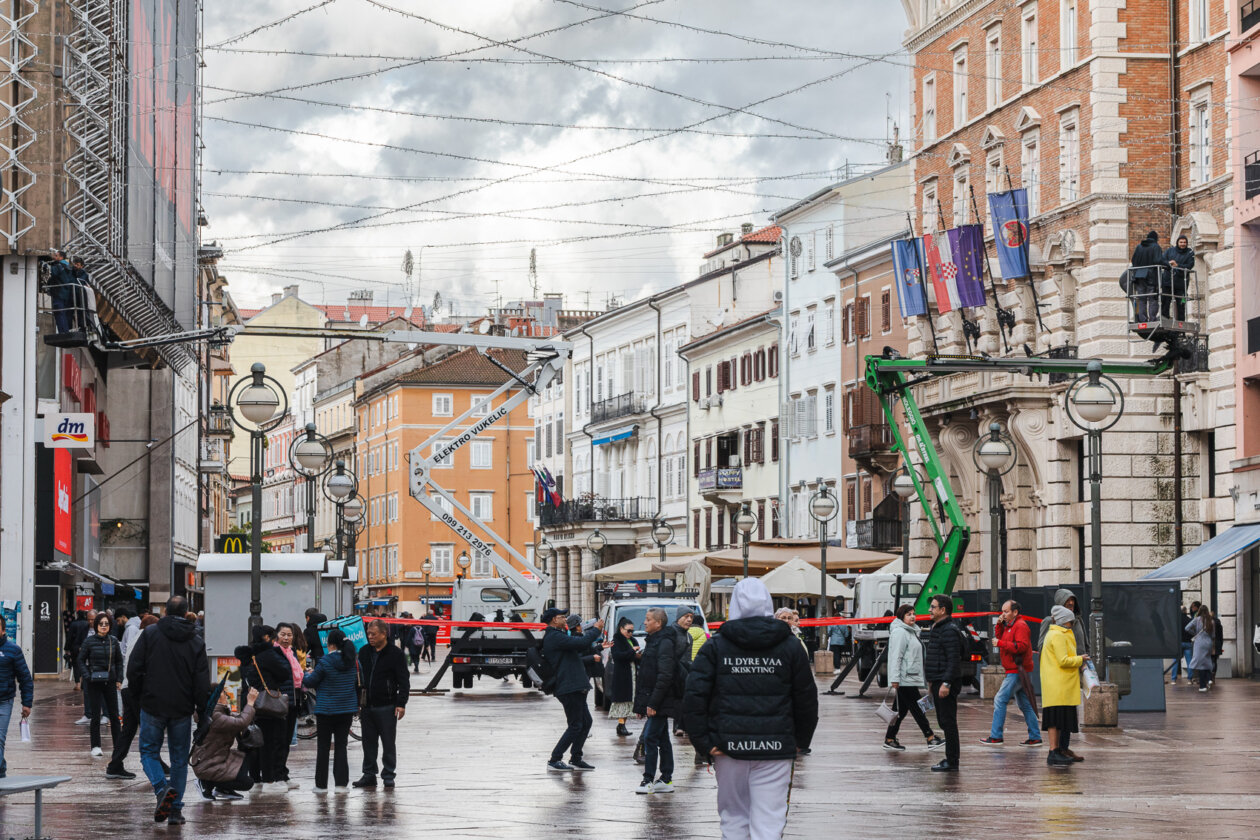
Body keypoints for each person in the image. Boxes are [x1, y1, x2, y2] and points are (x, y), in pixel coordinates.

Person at [684, 578, 817, 838]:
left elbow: (694, 696)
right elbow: (806, 698)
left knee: (733, 817)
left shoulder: (716, 645)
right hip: (776, 747)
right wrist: (800, 740)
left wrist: (704, 742)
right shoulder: (790, 646)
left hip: (727, 746)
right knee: (770, 818)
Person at [126, 596, 210, 826]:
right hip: (182, 707)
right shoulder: (195, 640)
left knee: (149, 752)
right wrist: (202, 710)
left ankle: (161, 789)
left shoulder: (151, 634)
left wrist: (138, 695)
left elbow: (134, 668)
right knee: (179, 759)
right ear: (186, 613)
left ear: (165, 611)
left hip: (152, 703)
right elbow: (201, 681)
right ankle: (175, 811)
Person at [540, 608, 603, 772]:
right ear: (554, 620)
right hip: (568, 686)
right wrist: (596, 629)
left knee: (586, 722)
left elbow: (580, 646)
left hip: (574, 686)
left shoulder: (558, 635)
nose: (565, 620)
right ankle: (555, 759)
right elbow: (581, 643)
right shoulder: (554, 636)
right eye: (562, 617)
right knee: (575, 725)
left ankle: (576, 757)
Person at [234, 625, 294, 793]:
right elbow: (284, 673)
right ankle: (269, 781)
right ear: (267, 638)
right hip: (268, 705)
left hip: (252, 703)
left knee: (254, 742)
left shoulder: (247, 656)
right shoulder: (268, 655)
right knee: (271, 742)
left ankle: (255, 780)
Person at [355, 618, 410, 789]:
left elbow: (404, 680)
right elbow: (358, 678)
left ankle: (388, 774)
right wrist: (357, 700)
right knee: (368, 742)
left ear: (384, 634)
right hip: (367, 705)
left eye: (374, 634)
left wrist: (401, 703)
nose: (370, 637)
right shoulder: (363, 652)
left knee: (388, 742)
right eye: (368, 634)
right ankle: (369, 774)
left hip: (387, 705)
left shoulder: (395, 653)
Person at [303, 628, 359, 793]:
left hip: (326, 711)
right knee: (341, 746)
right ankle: (341, 785)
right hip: (346, 709)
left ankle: (321, 786)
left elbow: (311, 682)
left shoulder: (325, 662)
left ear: (330, 644)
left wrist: (306, 675)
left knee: (323, 748)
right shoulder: (353, 661)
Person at [882, 603, 943, 752]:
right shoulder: (900, 633)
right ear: (901, 617)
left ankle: (890, 738)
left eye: (913, 613)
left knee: (900, 710)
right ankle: (930, 737)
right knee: (917, 708)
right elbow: (896, 656)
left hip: (909, 676)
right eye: (908, 614)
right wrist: (895, 679)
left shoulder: (910, 632)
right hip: (904, 678)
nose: (913, 616)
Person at [633, 607, 682, 794]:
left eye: (647, 619)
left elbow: (664, 676)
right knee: (662, 738)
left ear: (658, 623)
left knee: (650, 737)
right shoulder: (654, 641)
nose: (644, 622)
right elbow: (645, 676)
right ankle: (666, 778)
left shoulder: (664, 643)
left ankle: (648, 779)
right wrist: (641, 705)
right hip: (656, 699)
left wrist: (653, 703)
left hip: (661, 700)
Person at [980, 600, 1042, 747]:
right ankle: (1035, 736)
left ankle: (996, 736)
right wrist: (999, 625)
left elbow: (1021, 646)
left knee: (1000, 699)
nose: (1003, 614)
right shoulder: (1010, 625)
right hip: (1017, 670)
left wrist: (1000, 643)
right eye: (1002, 611)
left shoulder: (1020, 626)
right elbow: (1002, 637)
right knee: (1025, 704)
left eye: (1006, 611)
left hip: (1017, 671)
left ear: (1015, 612)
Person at [191, 687, 260, 800]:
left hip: (217, 759)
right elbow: (241, 722)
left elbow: (239, 718)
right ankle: (206, 783)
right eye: (224, 693)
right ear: (216, 698)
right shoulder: (215, 716)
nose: (227, 696)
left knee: (250, 752)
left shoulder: (217, 712)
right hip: (207, 765)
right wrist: (250, 702)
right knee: (246, 783)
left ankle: (223, 789)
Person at [1041, 605, 1088, 767]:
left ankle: (1057, 751)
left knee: (1056, 719)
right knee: (1055, 720)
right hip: (1059, 684)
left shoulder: (1055, 633)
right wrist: (1080, 659)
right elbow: (1063, 660)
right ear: (1063, 621)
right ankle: (1054, 752)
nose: (1072, 625)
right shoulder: (1058, 635)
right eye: (1070, 622)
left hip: (1058, 684)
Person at [923, 594, 963, 772]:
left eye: (933, 607)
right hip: (938, 680)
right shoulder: (938, 628)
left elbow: (953, 659)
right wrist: (932, 682)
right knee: (944, 721)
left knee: (948, 722)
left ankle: (952, 761)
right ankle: (950, 759)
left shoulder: (949, 630)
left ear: (942, 610)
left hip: (945, 682)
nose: (930, 610)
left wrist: (946, 683)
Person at [77, 611, 123, 757]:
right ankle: (95, 746)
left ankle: (118, 745)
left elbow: (119, 661)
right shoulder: (89, 641)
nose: (104, 626)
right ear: (96, 625)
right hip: (94, 682)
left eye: (106, 624)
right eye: (101, 624)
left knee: (114, 715)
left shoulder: (114, 641)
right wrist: (87, 675)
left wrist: (119, 679)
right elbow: (80, 660)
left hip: (109, 681)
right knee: (95, 716)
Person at [106, 607, 145, 780]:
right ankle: (157, 763)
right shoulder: (140, 634)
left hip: (128, 688)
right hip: (135, 689)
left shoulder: (135, 632)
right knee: (148, 728)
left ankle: (115, 765)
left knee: (128, 730)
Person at [0, 619, 34, 780]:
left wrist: (27, 703)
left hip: (4, 701)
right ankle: (1, 767)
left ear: (3, 630)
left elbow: (25, 678)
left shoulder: (13, 650)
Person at [274, 623, 304, 784]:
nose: (286, 638)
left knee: (286, 741)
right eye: (283, 634)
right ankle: (278, 775)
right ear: (277, 635)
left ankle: (283, 773)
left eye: (289, 635)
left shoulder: (291, 653)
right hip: (280, 703)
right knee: (280, 741)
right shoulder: (276, 653)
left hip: (293, 701)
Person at [605, 617, 639, 737]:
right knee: (622, 701)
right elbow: (617, 656)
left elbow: (632, 655)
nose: (630, 633)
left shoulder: (632, 640)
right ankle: (621, 725)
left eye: (632, 631)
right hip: (622, 675)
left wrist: (637, 655)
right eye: (628, 630)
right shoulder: (616, 640)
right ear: (621, 629)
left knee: (629, 700)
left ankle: (622, 725)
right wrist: (632, 652)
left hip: (631, 672)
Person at [1037, 589, 1088, 657]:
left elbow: (1086, 644)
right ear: (1060, 603)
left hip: (1081, 664)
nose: (1071, 603)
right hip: (1062, 665)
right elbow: (1042, 648)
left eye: (1072, 600)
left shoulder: (1078, 620)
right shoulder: (1050, 621)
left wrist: (1087, 662)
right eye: (1067, 600)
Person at [1129, 231, 1164, 323]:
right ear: (1155, 238)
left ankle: (1143, 319)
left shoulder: (1139, 247)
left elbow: (1133, 260)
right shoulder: (1156, 247)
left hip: (1139, 276)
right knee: (1152, 298)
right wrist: (1167, 265)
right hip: (1151, 276)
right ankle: (1152, 319)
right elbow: (1158, 260)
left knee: (1142, 298)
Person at [67, 610, 91, 725]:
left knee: (76, 665)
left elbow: (70, 636)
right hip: (82, 648)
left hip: (76, 648)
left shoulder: (74, 624)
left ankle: (77, 683)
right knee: (81, 665)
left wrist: (67, 647)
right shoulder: (85, 625)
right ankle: (81, 683)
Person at [1162, 234, 1194, 319]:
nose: (1183, 244)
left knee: (1182, 303)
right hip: (1168, 282)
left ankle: (1181, 321)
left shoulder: (1190, 252)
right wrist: (1169, 264)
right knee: (1165, 301)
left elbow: (1190, 265)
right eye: (1181, 242)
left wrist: (1177, 265)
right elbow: (1162, 260)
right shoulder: (1170, 251)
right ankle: (1164, 318)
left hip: (1182, 285)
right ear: (1177, 242)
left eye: (1184, 242)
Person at [1185, 605, 1215, 693]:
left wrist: (1194, 633)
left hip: (1199, 642)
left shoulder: (1196, 620)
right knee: (1206, 661)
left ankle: (1202, 686)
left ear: (1199, 611)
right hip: (1208, 643)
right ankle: (1209, 679)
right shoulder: (1211, 621)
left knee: (1201, 664)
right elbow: (1213, 635)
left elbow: (1187, 628)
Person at [1171, 603, 1194, 684]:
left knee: (1175, 661)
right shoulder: (1190, 620)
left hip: (1178, 643)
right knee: (1189, 661)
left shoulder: (1175, 620)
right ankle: (1189, 679)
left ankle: (1173, 679)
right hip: (1187, 642)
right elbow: (1193, 632)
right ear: (1186, 611)